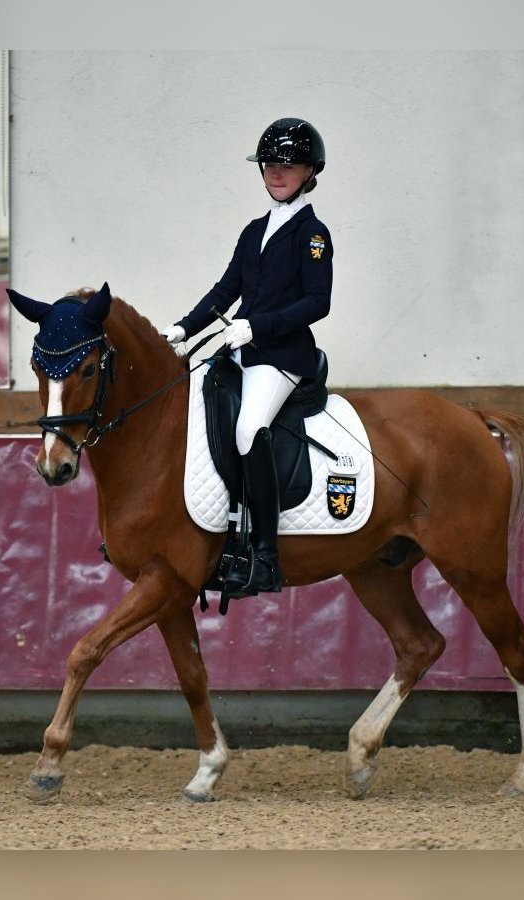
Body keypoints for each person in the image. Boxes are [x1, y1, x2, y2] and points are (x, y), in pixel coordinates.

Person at [162, 117, 333, 598]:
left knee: (247, 428)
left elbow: (317, 302)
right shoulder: (254, 229)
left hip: (281, 357)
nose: (276, 173)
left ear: (310, 170)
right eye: (269, 164)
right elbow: (226, 288)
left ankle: (264, 554)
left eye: (288, 164)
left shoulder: (312, 234)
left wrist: (257, 325)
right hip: (244, 350)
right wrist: (181, 329)